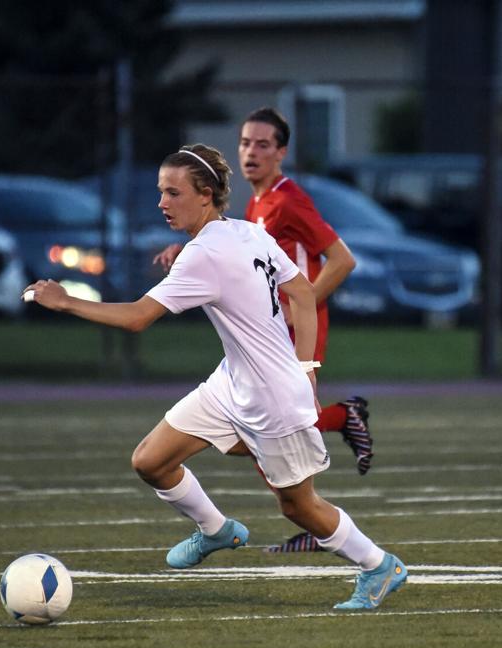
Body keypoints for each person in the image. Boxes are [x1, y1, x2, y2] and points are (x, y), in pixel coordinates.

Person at [25, 144, 405, 610]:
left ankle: (378, 565)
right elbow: (303, 295)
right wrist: (307, 366)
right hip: (233, 382)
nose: (162, 203)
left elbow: (138, 317)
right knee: (150, 461)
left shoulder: (204, 254)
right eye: (160, 192)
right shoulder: (246, 232)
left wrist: (66, 302)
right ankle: (216, 530)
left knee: (297, 507)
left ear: (205, 195)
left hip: (272, 397)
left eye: (172, 193)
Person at [155, 107, 373, 475]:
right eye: (244, 143)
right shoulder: (258, 201)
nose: (251, 152)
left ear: (281, 153)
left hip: (296, 324)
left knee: (277, 430)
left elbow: (341, 260)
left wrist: (295, 308)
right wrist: (188, 251)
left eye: (263, 144)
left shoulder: (288, 200)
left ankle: (318, 522)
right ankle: (340, 423)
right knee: (272, 430)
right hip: (271, 325)